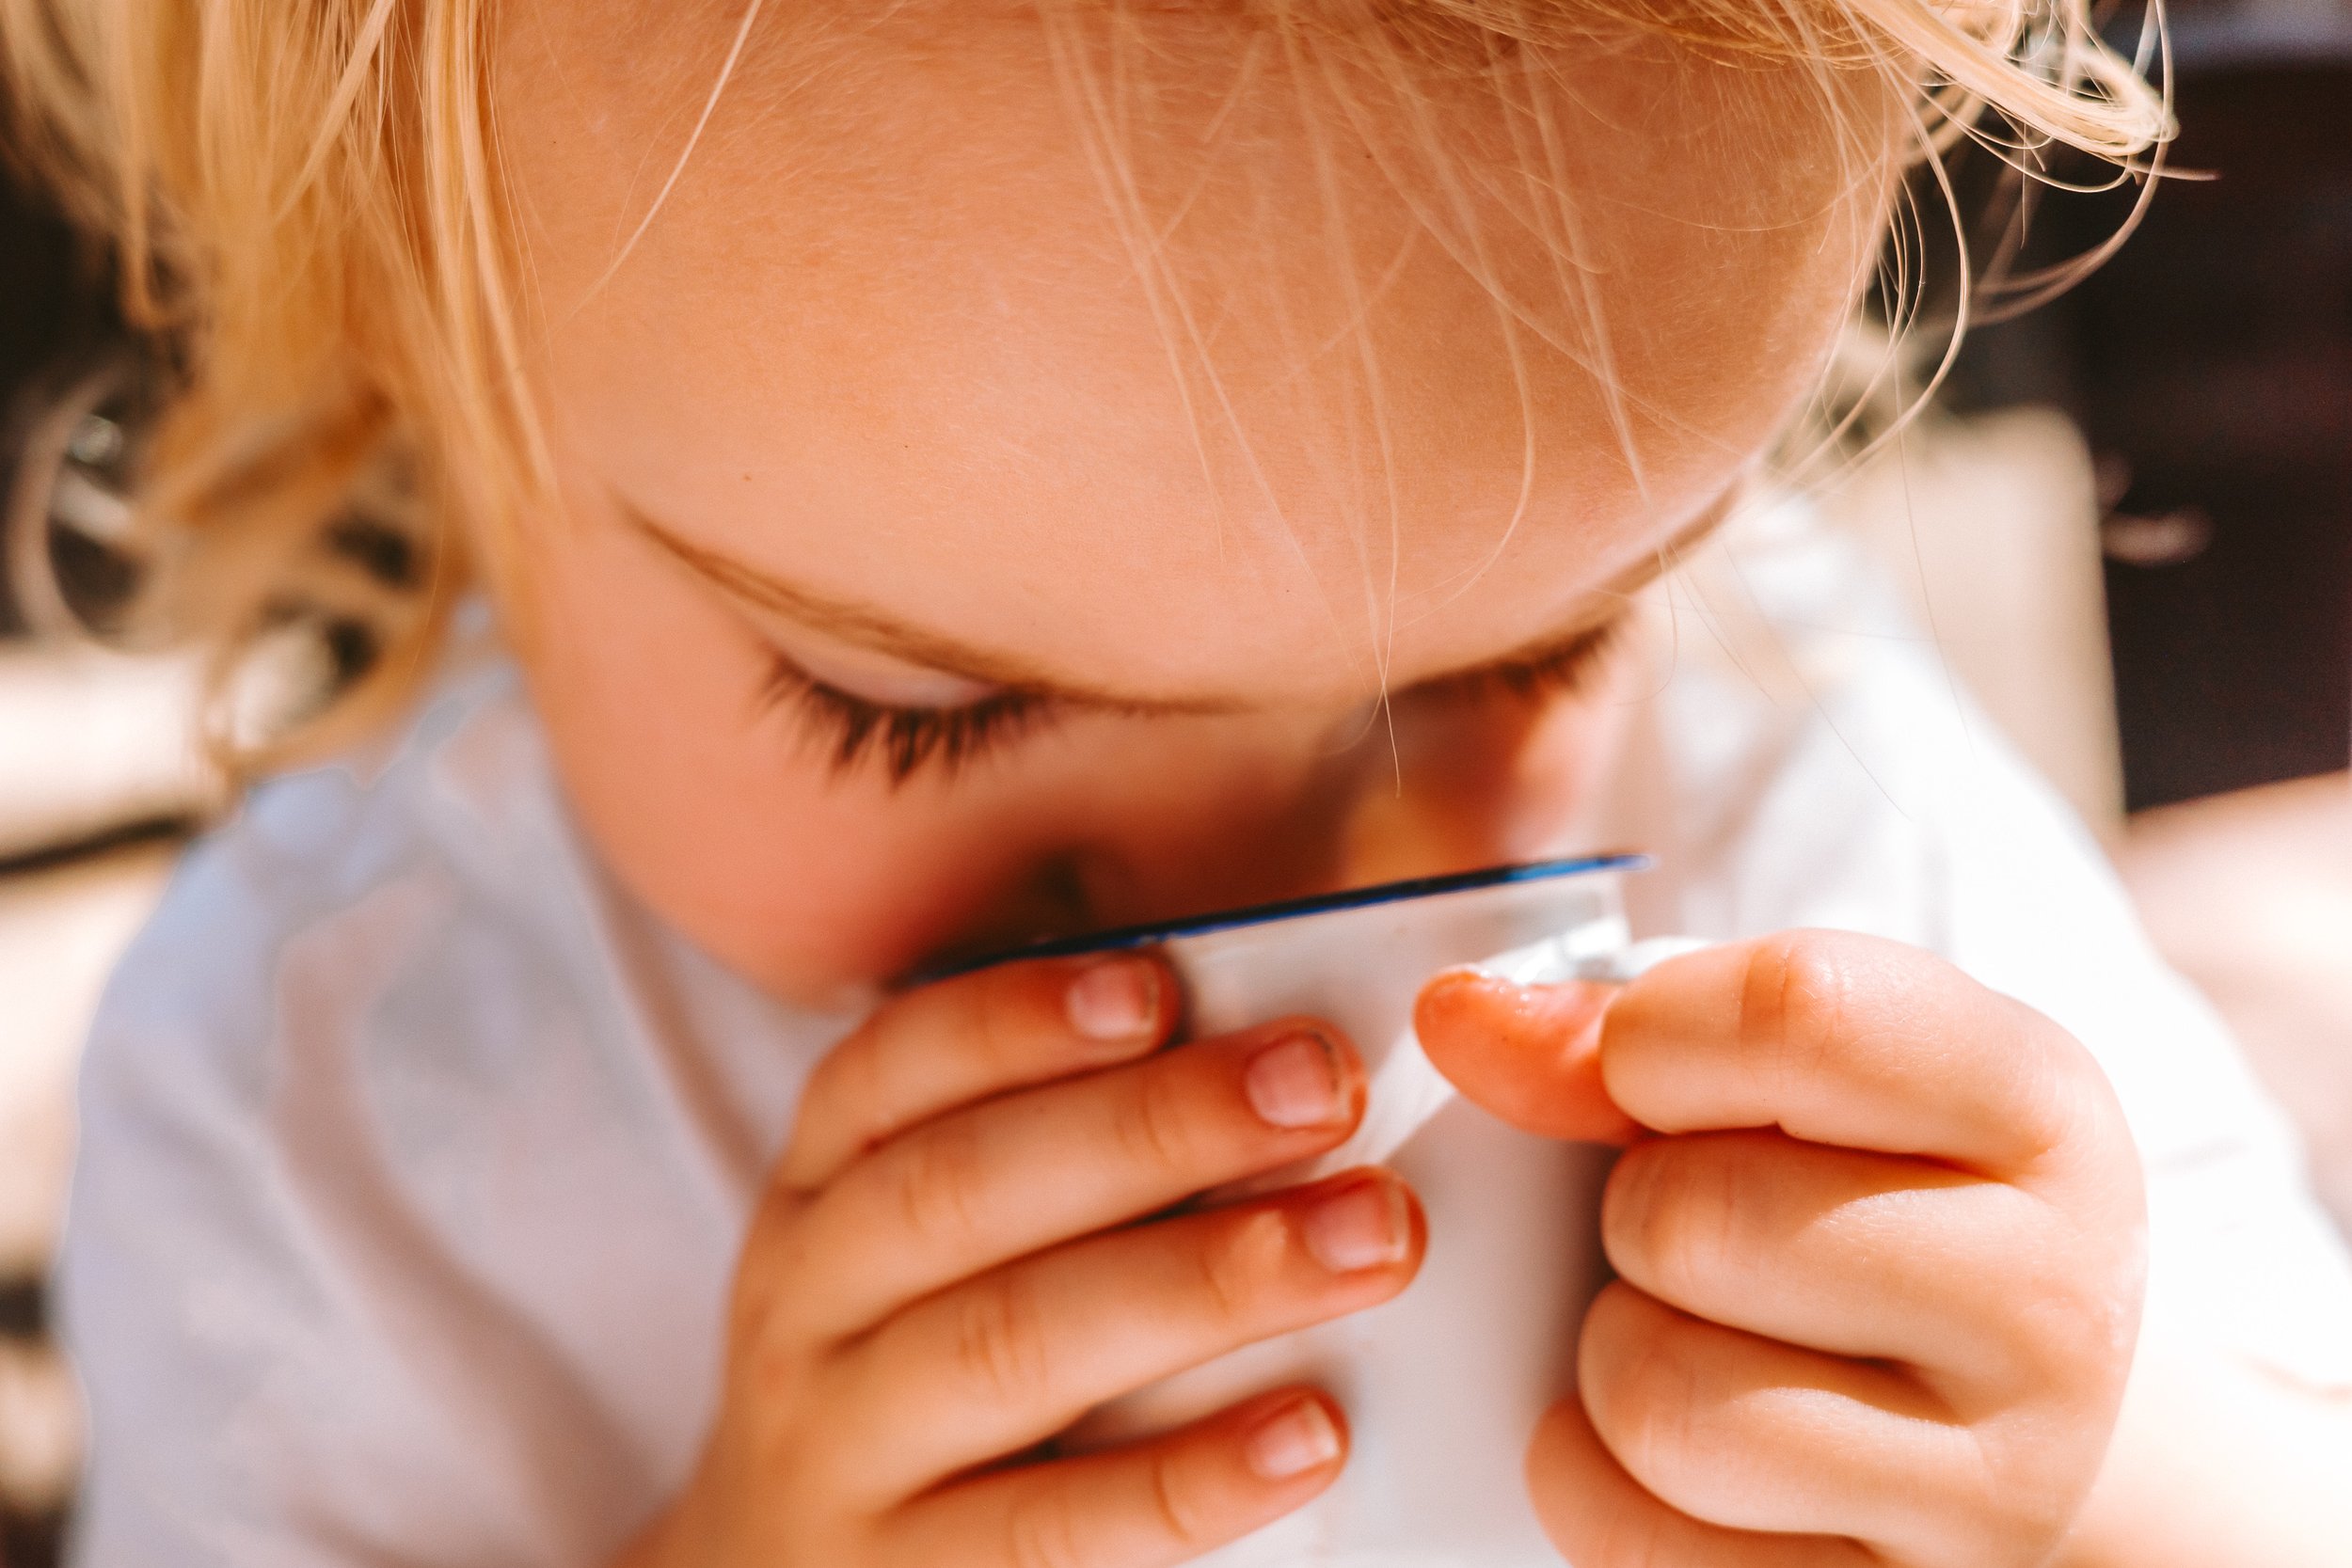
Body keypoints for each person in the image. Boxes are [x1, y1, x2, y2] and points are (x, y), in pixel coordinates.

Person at [5, 1, 2349, 1563]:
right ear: (420, 344)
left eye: (1520, 650)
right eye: (908, 710)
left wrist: (2095, 1471)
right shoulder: (321, 1099)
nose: (1283, 893)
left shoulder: (1792, 792)